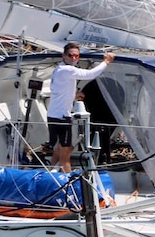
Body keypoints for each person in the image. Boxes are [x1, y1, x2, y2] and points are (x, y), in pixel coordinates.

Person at [47, 43, 115, 173]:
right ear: (64, 56)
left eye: (76, 56)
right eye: (70, 55)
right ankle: (69, 180)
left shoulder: (59, 69)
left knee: (59, 147)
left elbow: (59, 91)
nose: (73, 58)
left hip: (54, 115)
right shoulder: (68, 70)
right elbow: (90, 75)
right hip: (61, 117)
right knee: (66, 151)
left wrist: (74, 95)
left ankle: (50, 172)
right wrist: (106, 62)